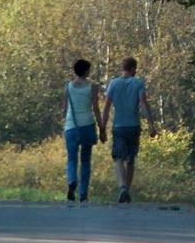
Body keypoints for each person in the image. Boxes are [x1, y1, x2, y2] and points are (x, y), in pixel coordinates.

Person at [101, 56, 157, 203]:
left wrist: (102, 127)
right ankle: (127, 191)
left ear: (122, 68)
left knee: (118, 157)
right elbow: (144, 104)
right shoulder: (138, 83)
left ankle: (123, 187)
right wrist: (151, 125)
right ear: (133, 69)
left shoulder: (113, 84)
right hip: (134, 126)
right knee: (130, 159)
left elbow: (106, 107)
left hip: (118, 126)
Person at [61, 58, 104, 203]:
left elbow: (64, 108)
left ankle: (72, 180)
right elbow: (96, 108)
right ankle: (83, 193)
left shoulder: (68, 87)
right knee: (85, 160)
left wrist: (64, 124)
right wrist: (101, 127)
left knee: (72, 158)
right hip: (87, 125)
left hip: (71, 126)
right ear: (86, 71)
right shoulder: (92, 87)